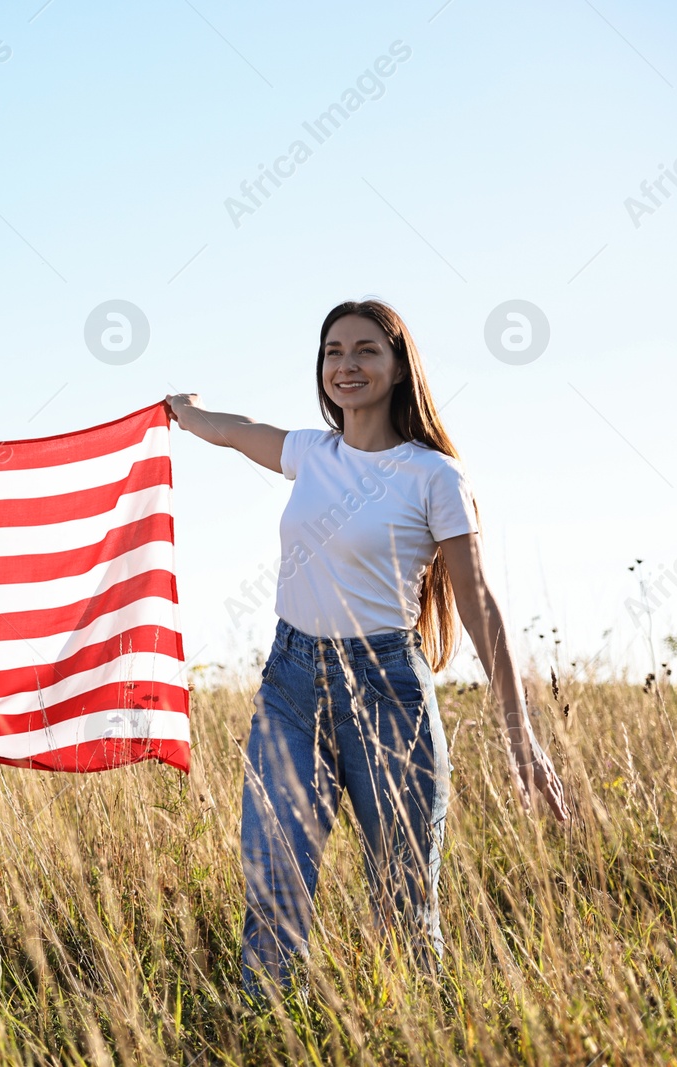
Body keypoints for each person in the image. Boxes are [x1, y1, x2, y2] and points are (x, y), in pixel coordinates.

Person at [165, 299, 569, 995]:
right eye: (333, 352)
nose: (346, 365)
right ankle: (267, 1031)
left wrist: (519, 736)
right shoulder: (310, 453)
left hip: (388, 693)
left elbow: (478, 604)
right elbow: (236, 433)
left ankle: (418, 1036)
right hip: (290, 685)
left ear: (398, 366)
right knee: (274, 894)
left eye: (365, 351)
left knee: (405, 911)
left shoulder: (434, 475)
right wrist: (186, 409)